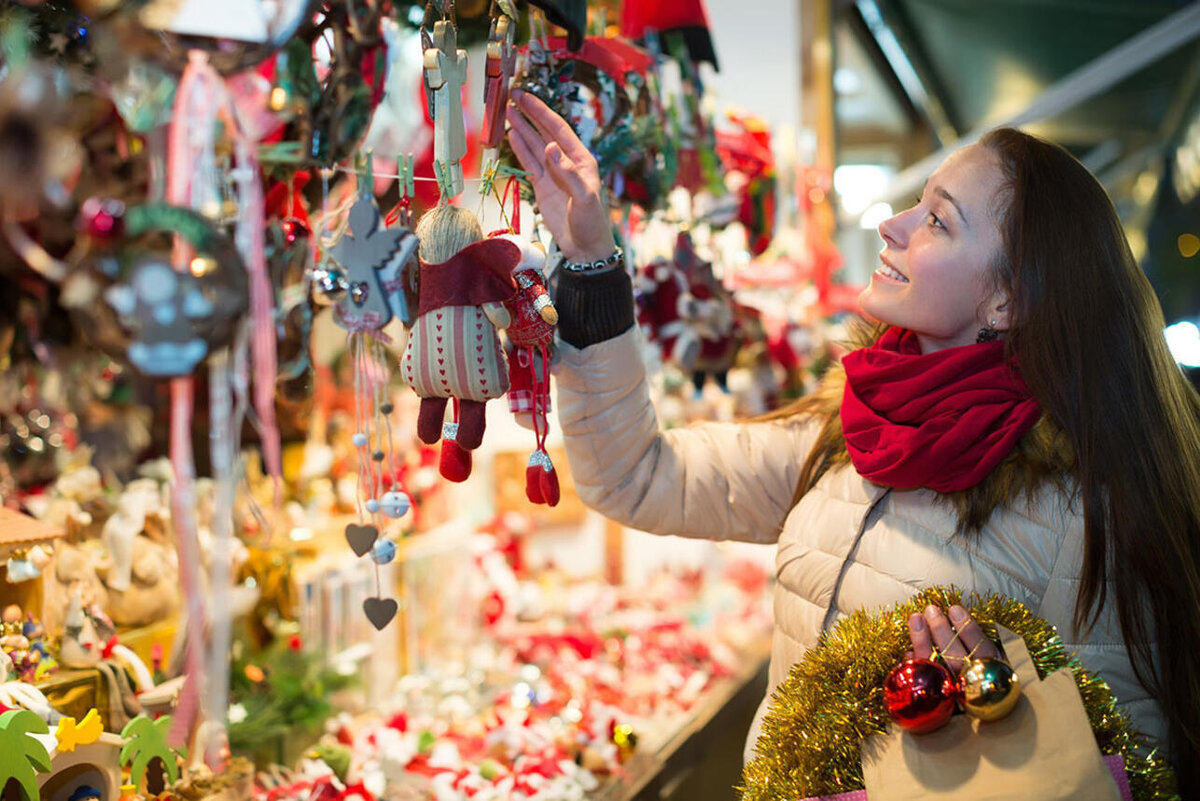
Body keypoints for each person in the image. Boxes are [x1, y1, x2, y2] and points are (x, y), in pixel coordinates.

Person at [505, 90, 1200, 793]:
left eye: (937, 221)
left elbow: (1131, 769)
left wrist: (1003, 708)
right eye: (917, 205)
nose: (893, 225)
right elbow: (635, 475)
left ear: (1006, 300)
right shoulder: (848, 428)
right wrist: (590, 261)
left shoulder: (1086, 513)